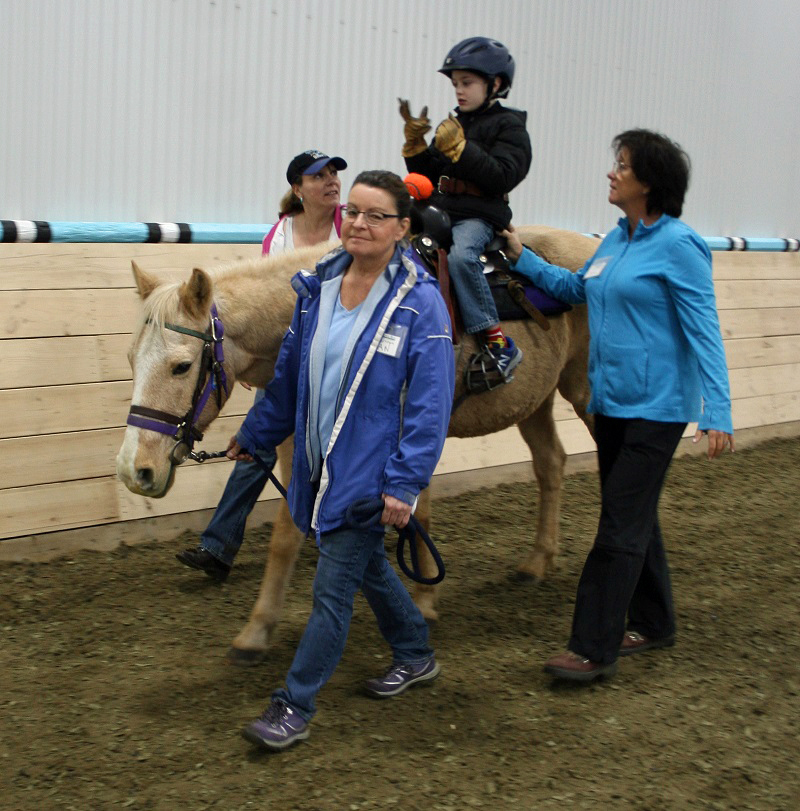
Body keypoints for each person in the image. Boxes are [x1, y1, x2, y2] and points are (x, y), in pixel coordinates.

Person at [232, 170, 455, 750]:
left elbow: (430, 408)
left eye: (376, 215)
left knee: (331, 593)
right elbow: (287, 382)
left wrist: (404, 486)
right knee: (369, 570)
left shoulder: (421, 307)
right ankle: (415, 652)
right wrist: (256, 434)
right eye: (353, 211)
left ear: (403, 228)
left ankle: (292, 707)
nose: (359, 222)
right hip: (315, 463)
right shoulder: (317, 288)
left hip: (368, 475)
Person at [502, 129, 735, 683]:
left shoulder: (679, 245)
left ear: (650, 182)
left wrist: (718, 410)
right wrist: (522, 257)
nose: (612, 173)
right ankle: (654, 623)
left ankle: (592, 647)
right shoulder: (616, 239)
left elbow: (705, 330)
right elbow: (576, 288)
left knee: (618, 526)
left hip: (658, 408)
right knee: (634, 515)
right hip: (611, 403)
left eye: (623, 166)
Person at [176, 150, 347, 582]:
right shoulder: (280, 235)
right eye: (318, 176)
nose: (330, 181)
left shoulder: (353, 226)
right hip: (288, 360)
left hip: (339, 355)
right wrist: (253, 361)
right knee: (257, 445)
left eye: (333, 174)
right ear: (297, 188)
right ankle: (218, 545)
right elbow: (264, 306)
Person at [399, 36, 532, 382]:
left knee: (460, 257)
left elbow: (503, 176)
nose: (459, 90)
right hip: (440, 210)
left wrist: (462, 149)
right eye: (456, 83)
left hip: (479, 216)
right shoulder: (456, 123)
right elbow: (426, 173)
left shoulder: (510, 126)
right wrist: (415, 146)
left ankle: (497, 341)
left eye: (467, 83)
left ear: (496, 84)